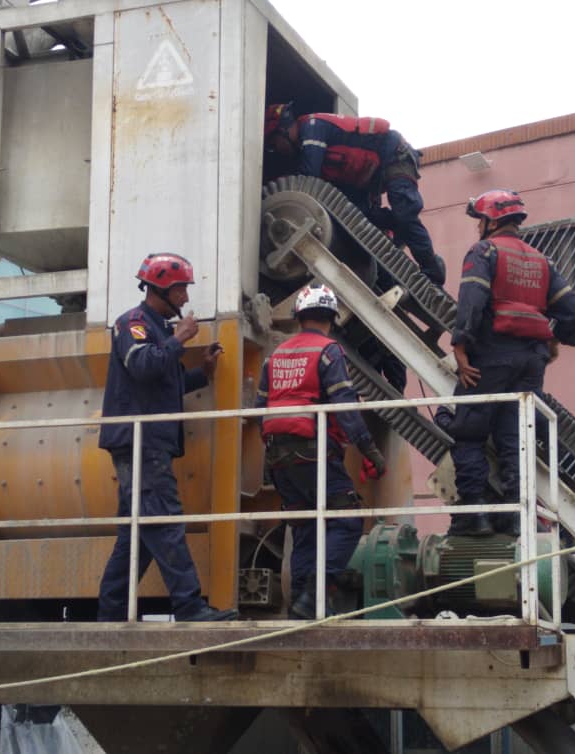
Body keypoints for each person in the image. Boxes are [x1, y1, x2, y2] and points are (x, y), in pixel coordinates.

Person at [97, 253, 238, 622]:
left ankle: (109, 615)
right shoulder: (134, 323)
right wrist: (179, 339)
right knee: (164, 521)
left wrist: (202, 372)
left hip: (147, 441)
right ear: (161, 286)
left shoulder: (156, 328)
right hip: (140, 441)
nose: (186, 298)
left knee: (136, 538)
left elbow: (165, 382)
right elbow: (143, 366)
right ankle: (190, 607)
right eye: (181, 290)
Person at [436, 190, 575, 537]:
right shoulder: (542, 261)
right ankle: (519, 516)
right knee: (515, 437)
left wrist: (459, 344)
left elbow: (472, 298)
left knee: (468, 432)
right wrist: (555, 339)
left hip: (491, 355)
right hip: (531, 361)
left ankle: (475, 515)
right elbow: (571, 309)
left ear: (492, 221)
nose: (478, 228)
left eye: (480, 221)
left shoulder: (484, 251)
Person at [255, 284, 387, 618]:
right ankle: (314, 593)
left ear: (299, 317)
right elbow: (344, 405)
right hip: (313, 454)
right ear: (332, 317)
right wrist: (369, 450)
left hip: (277, 455)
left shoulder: (277, 355)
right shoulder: (328, 351)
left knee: (304, 527)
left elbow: (259, 408)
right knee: (346, 521)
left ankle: (300, 601)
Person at [264, 103, 447, 287]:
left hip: (393, 154)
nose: (278, 149)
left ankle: (433, 271)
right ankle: (391, 271)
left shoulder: (312, 128)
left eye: (274, 144)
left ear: (283, 130)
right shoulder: (306, 143)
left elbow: (309, 175)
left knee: (404, 213)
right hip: (367, 178)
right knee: (361, 223)